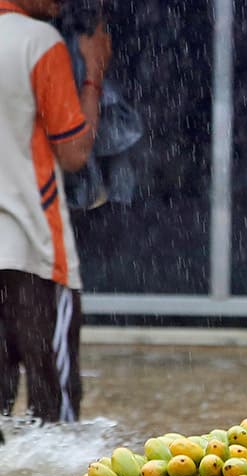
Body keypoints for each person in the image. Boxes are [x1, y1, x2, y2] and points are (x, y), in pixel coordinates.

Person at [0, 0, 112, 423]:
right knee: (56, 413)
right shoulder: (39, 42)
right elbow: (73, 152)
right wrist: (93, 75)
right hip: (34, 249)